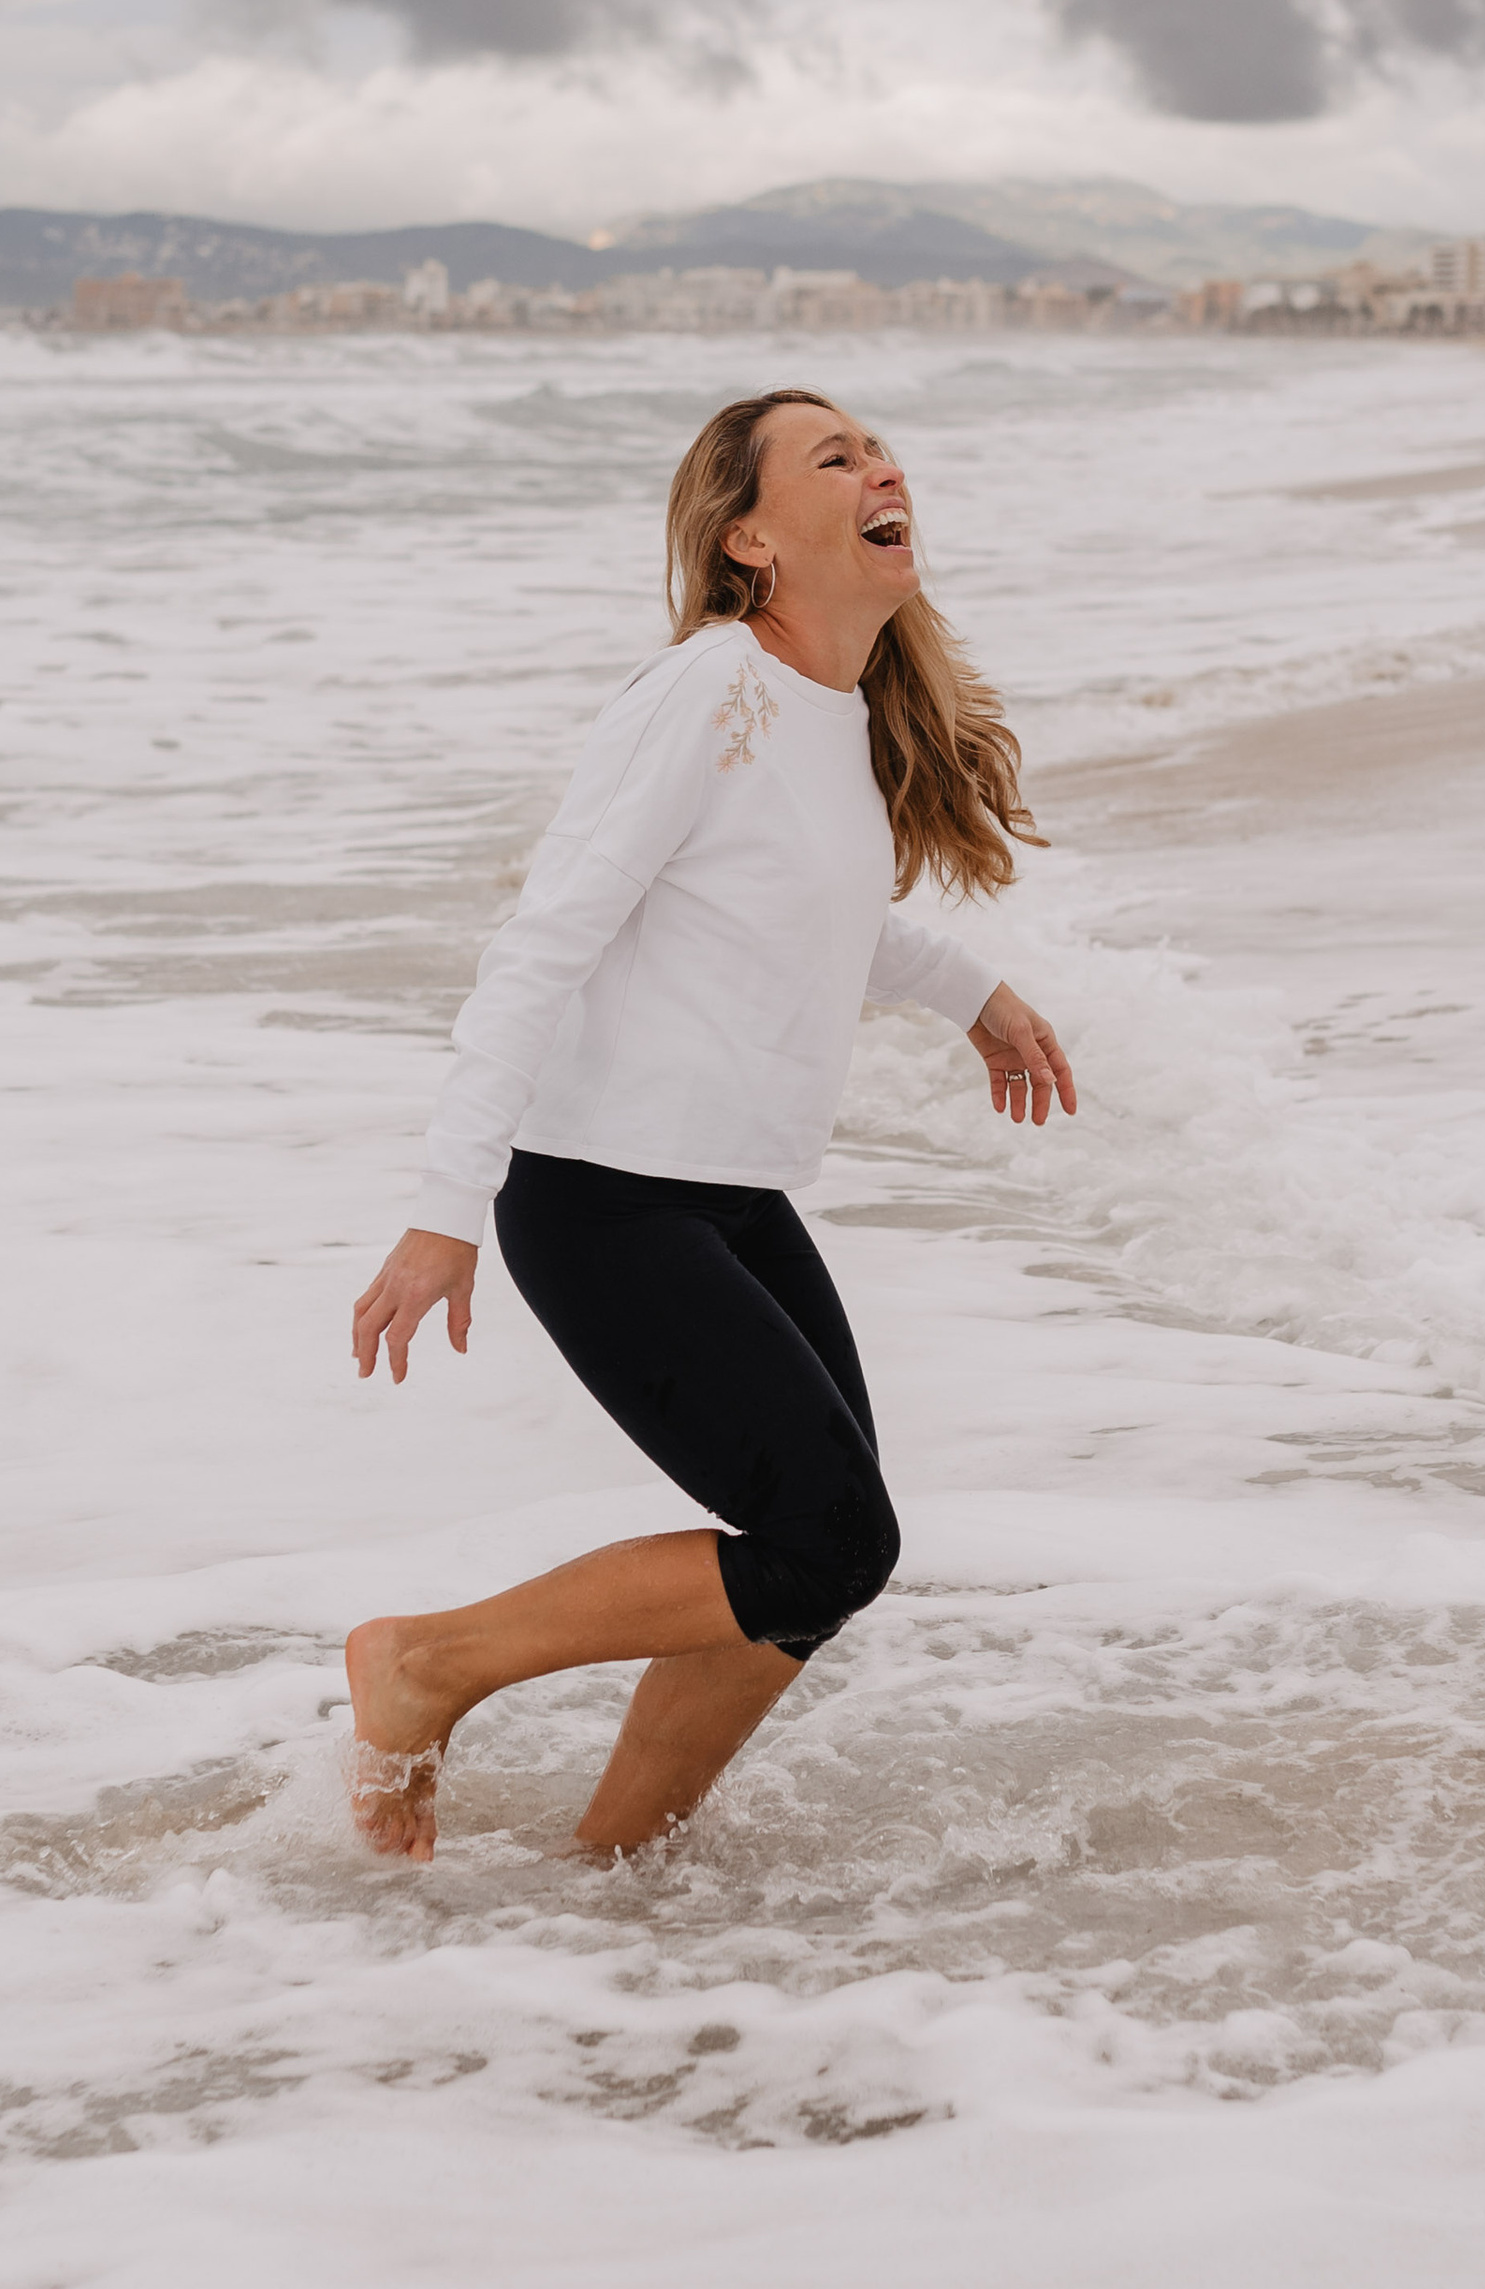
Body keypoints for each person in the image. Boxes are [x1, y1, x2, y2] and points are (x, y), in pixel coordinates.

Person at [342, 387, 1076, 1863]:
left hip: (730, 1196)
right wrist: (444, 1205)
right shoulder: (705, 692)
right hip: (604, 1195)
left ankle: (605, 1868)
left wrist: (973, 992)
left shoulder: (838, 714)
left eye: (877, 446)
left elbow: (805, 915)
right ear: (749, 538)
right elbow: (542, 942)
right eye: (833, 455)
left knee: (815, 1564)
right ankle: (424, 1663)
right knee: (829, 1537)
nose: (881, 465)